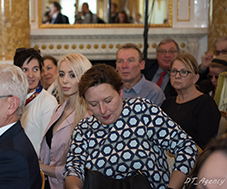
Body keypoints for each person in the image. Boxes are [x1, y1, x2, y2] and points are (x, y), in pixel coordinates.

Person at [64, 63, 198, 189]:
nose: (103, 110)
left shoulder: (142, 110)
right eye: (93, 104)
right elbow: (73, 167)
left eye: (108, 101)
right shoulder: (84, 129)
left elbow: (186, 147)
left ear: (120, 92)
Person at [39, 53, 92, 189]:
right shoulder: (59, 108)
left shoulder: (89, 117)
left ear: (83, 77)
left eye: (72, 75)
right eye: (61, 74)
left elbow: (81, 170)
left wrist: (40, 167)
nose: (64, 80)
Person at [161, 53, 221, 150]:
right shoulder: (167, 103)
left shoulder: (205, 103)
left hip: (193, 160)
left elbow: (206, 146)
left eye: (184, 72)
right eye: (174, 71)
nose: (177, 76)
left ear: (195, 78)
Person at [14, 48, 58, 156]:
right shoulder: (12, 99)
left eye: (35, 69)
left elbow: (47, 146)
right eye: (25, 69)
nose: (30, 75)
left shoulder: (48, 101)